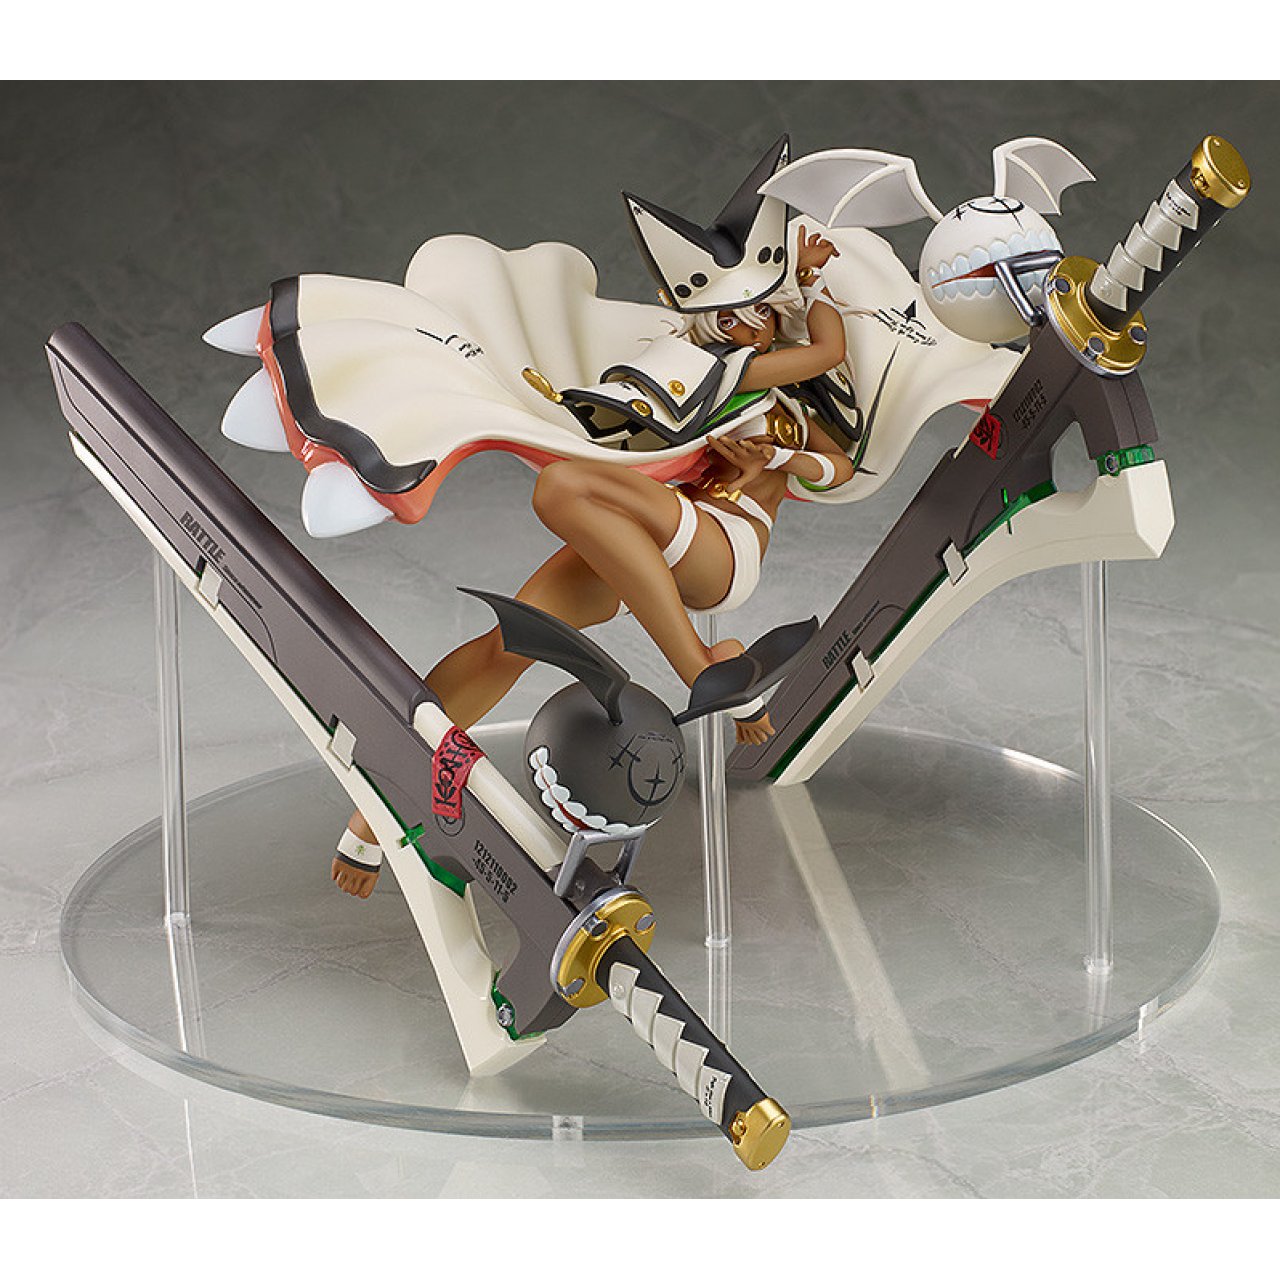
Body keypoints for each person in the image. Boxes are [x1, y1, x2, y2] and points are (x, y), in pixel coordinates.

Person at [332, 152, 860, 897]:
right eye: (726, 317)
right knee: (508, 644)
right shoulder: (698, 369)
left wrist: (783, 448)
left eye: (757, 313)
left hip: (722, 544)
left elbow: (839, 455)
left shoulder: (789, 390)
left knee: (562, 487)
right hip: (648, 530)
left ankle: (703, 668)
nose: (744, 329)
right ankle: (375, 808)